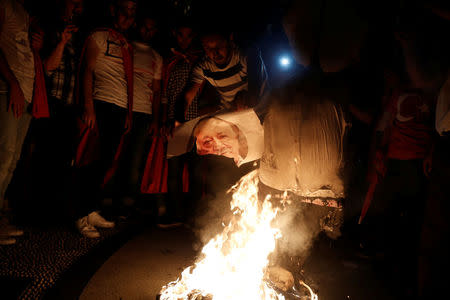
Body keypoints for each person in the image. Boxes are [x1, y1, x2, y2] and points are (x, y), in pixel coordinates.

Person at [73, 0, 139, 238]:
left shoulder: (126, 43)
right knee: (88, 160)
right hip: (100, 103)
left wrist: (129, 113)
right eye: (125, 9)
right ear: (114, 9)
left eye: (133, 11)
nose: (129, 15)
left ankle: (91, 209)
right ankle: (79, 214)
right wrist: (88, 107)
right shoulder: (99, 36)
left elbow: (126, 80)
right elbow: (87, 70)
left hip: (119, 108)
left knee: (105, 162)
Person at [0, 0, 40, 245]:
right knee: (4, 155)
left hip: (25, 92)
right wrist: (13, 84)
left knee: (12, 159)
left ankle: (1, 215)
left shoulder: (25, 12)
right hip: (8, 89)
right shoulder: (5, 5)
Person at [184, 26, 268, 117]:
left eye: (219, 45)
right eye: (208, 48)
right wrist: (178, 121)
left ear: (230, 39)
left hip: (264, 109)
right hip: (232, 114)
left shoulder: (245, 55)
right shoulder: (203, 66)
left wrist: (245, 98)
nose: (215, 53)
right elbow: (187, 97)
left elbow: (253, 95)